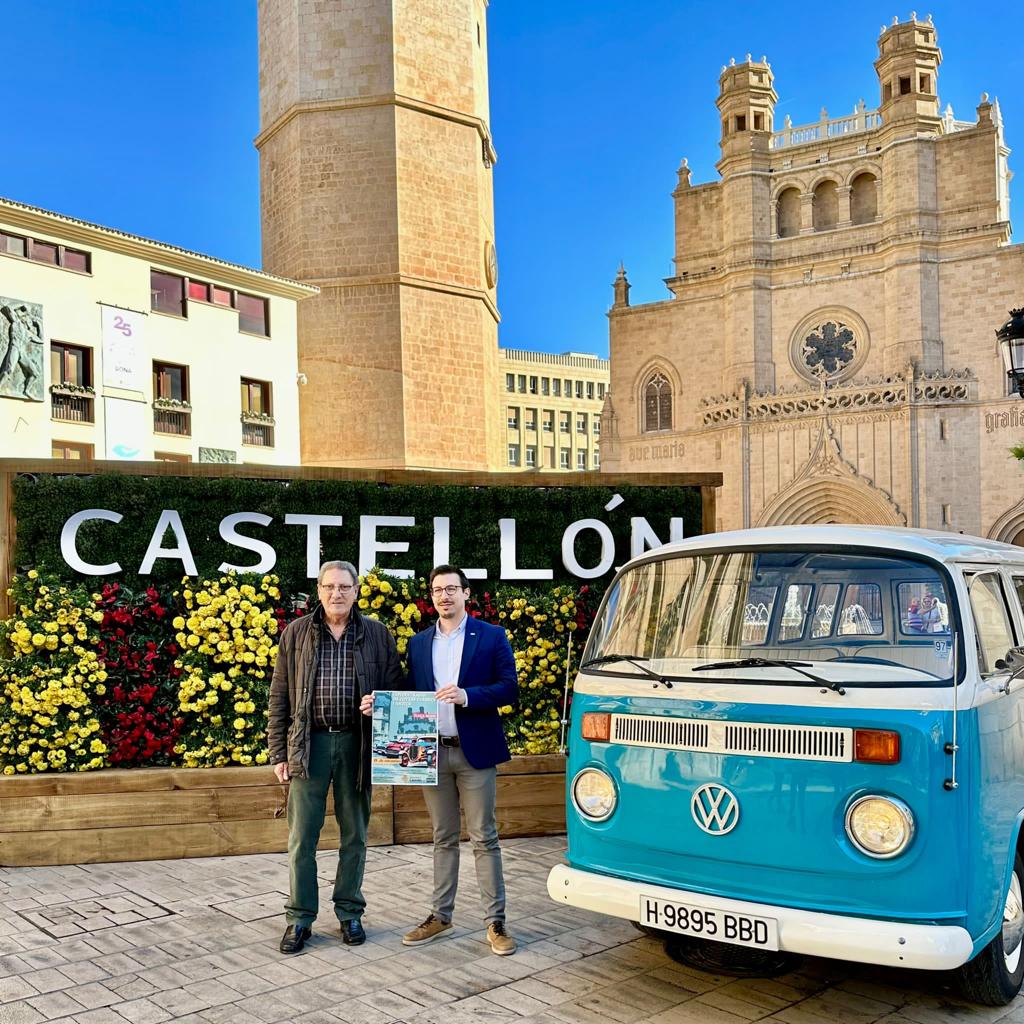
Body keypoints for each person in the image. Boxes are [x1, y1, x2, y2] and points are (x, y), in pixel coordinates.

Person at [363, 564, 519, 955]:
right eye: (437, 590)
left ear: (467, 593)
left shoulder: (491, 636)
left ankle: (495, 922)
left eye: (452, 588)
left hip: (474, 750)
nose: (444, 595)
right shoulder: (418, 643)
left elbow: (509, 687)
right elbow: (405, 692)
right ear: (431, 596)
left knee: (485, 836)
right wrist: (377, 704)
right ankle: (441, 916)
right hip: (429, 752)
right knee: (442, 837)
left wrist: (469, 696)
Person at [269, 560, 403, 954]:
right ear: (319, 590)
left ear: (357, 590)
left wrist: (379, 705)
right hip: (308, 745)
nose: (337, 593)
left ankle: (349, 913)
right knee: (301, 839)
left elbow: (396, 693)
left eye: (344, 586)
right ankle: (299, 919)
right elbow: (279, 696)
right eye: (329, 587)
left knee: (355, 836)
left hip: (355, 744)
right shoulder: (296, 633)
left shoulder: (377, 635)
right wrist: (279, 751)